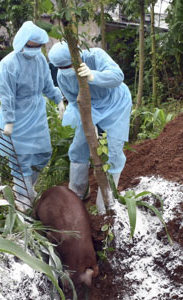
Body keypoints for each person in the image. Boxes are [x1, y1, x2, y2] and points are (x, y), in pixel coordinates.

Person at [47, 42, 132, 213]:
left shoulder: (95, 55)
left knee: (113, 151)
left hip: (115, 104)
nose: (67, 69)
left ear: (76, 55)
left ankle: (105, 204)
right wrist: (88, 122)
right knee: (78, 148)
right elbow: (74, 101)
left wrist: (94, 76)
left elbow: (117, 76)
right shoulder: (63, 77)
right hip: (90, 108)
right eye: (62, 67)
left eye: (69, 65)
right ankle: (76, 195)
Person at [0, 21, 65, 208]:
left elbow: (47, 84)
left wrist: (58, 99)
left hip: (36, 114)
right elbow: (6, 94)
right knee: (21, 159)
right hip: (17, 116)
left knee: (43, 153)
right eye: (31, 47)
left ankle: (26, 188)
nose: (34, 50)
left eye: (38, 47)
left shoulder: (40, 60)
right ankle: (23, 200)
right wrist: (9, 121)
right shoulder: (8, 64)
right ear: (21, 43)